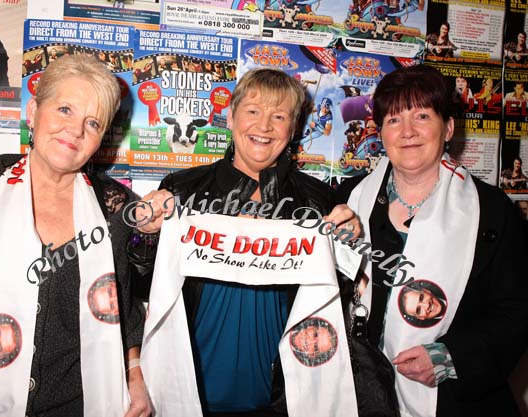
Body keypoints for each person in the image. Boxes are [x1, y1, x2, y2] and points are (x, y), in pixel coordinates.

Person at [0, 55, 151, 417]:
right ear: (33, 112)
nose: (75, 131)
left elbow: (126, 315)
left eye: (92, 122)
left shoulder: (117, 208)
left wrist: (135, 374)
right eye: (64, 109)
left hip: (85, 406)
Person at [137, 68, 360, 416]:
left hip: (281, 395)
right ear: (230, 118)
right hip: (188, 391)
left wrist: (349, 247)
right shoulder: (183, 189)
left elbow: (333, 302)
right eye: (253, 111)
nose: (265, 125)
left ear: (294, 129)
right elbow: (142, 286)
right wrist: (144, 237)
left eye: (279, 116)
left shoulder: (317, 200)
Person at [338, 64, 528, 416]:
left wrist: (451, 357)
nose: (407, 131)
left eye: (422, 116)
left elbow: (516, 311)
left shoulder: (491, 211)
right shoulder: (348, 199)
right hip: (358, 395)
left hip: (454, 402)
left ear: (449, 128)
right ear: (381, 132)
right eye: (394, 120)